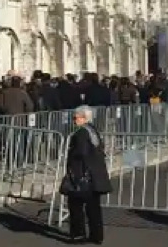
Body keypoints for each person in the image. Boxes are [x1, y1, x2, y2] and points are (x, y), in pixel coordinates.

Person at [62, 105, 111, 245]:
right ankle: (97, 235)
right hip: (95, 174)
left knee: (76, 205)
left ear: (83, 118)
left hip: (82, 174)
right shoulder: (93, 130)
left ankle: (78, 235)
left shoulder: (81, 133)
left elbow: (81, 153)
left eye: (75, 117)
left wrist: (72, 159)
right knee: (93, 207)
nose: (73, 120)